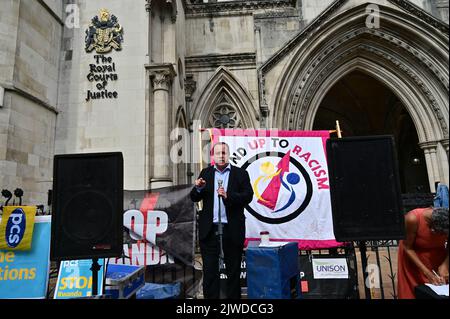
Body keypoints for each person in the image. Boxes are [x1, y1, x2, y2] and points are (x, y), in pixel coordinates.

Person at [190, 142, 253, 299]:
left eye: (224, 152)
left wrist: (228, 196)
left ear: (229, 154)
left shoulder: (240, 174)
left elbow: (248, 196)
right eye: (218, 153)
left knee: (233, 272)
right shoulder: (206, 173)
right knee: (210, 272)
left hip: (232, 230)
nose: (221, 155)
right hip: (210, 231)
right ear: (213, 156)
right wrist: (198, 188)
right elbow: (193, 197)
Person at [397, 206, 449, 299]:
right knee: (415, 292)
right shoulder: (412, 219)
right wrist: (427, 273)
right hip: (414, 260)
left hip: (439, 257)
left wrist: (445, 264)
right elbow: (407, 247)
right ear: (431, 227)